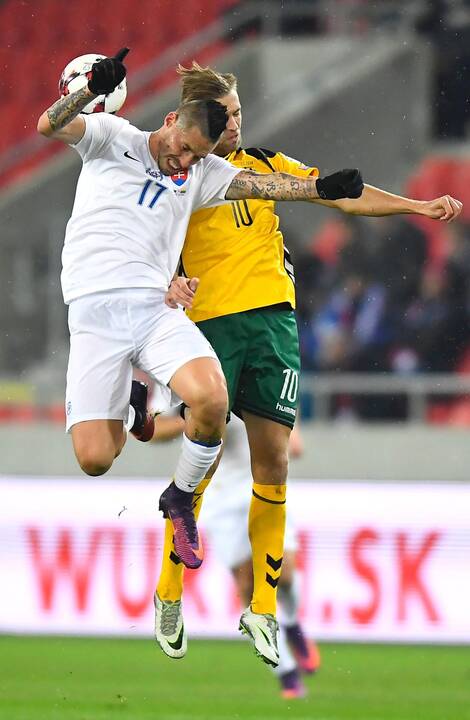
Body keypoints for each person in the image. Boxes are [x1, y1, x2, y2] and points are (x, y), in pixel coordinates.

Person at [154, 61, 462, 667]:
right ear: (198, 121)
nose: (237, 124)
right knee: (202, 465)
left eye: (240, 112)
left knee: (273, 465)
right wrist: (164, 286)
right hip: (212, 328)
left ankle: (262, 610)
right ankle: (169, 594)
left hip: (275, 328)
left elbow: (341, 195)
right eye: (226, 116)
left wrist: (416, 207)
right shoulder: (177, 180)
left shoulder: (269, 167)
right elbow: (145, 245)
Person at [36, 50, 365, 591]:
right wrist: (88, 85)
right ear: (169, 123)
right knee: (97, 458)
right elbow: (50, 124)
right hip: (94, 318)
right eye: (184, 149)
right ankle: (138, 410)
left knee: (213, 400)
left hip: (151, 311)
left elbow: (266, 187)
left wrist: (322, 188)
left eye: (199, 156)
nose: (185, 163)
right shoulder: (110, 136)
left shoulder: (204, 171)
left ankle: (181, 499)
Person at [153, 410, 320, 699]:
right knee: (247, 586)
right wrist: (201, 417)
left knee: (286, 575)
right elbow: (155, 431)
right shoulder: (196, 377)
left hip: (264, 486)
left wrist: (288, 438)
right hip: (222, 495)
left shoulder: (268, 371)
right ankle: (287, 673)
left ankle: (292, 625)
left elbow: (295, 443)